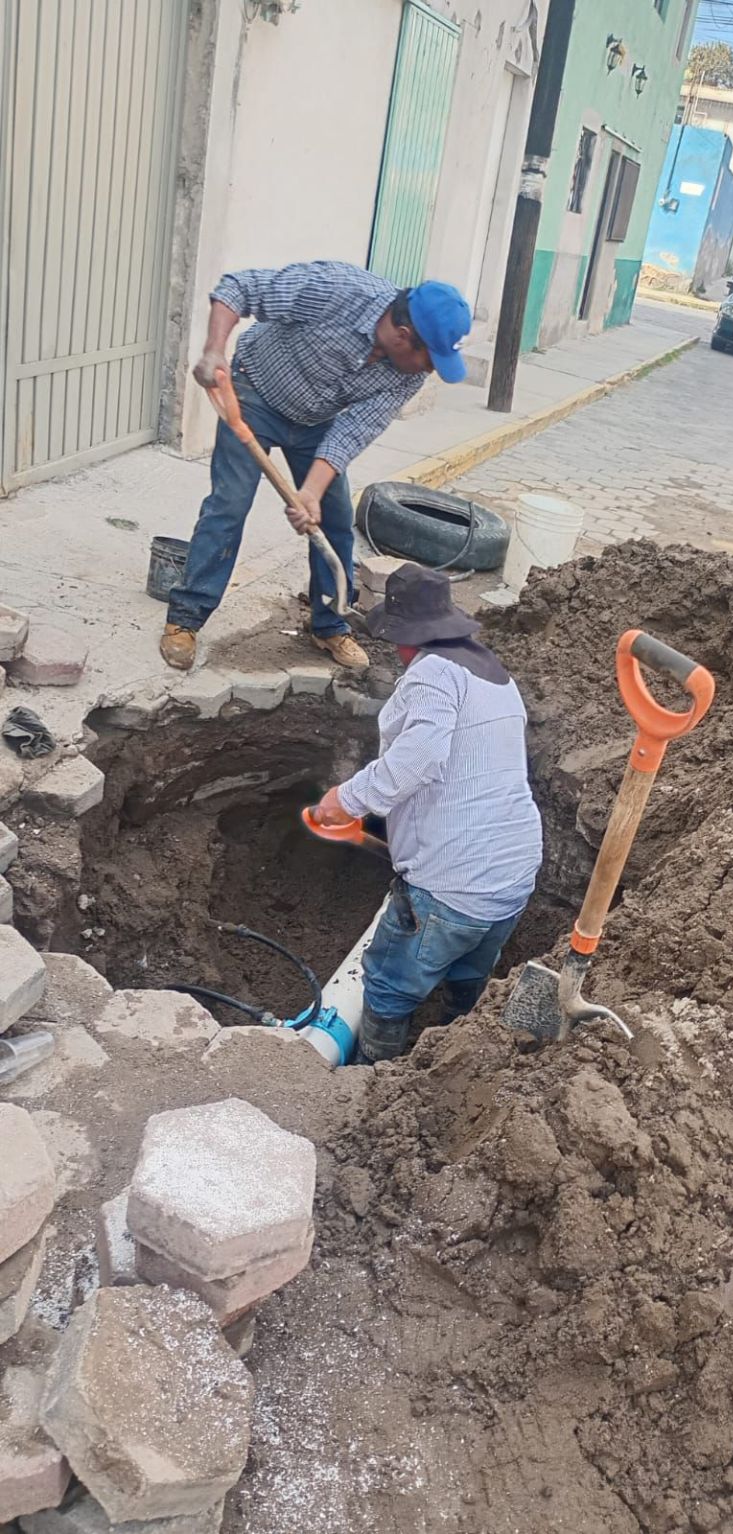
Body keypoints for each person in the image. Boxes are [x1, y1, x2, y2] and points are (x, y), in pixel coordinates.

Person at [160, 262, 472, 674]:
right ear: (403, 336)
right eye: (430, 359)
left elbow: (354, 429)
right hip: (253, 392)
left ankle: (329, 622)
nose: (430, 370)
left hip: (316, 421)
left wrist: (311, 492)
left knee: (337, 520)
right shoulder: (336, 290)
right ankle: (185, 618)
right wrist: (214, 349)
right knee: (229, 505)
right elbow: (238, 288)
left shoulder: (406, 375)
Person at [312, 564, 543, 1065]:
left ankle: (374, 1077)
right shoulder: (495, 676)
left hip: (452, 884)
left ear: (403, 637)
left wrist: (344, 800)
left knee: (390, 986)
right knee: (468, 971)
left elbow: (416, 761)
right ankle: (458, 1043)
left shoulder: (432, 674)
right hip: (514, 874)